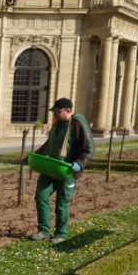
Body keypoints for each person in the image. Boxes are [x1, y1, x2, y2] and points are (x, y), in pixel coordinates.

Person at [27, 97, 93, 245]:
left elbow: (89, 148)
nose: (55, 114)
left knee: (62, 202)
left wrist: (79, 164)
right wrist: (33, 157)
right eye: (54, 111)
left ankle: (60, 234)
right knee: (41, 196)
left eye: (57, 111)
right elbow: (48, 145)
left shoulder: (77, 123)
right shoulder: (57, 125)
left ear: (68, 111)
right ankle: (44, 231)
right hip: (50, 168)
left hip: (67, 171)